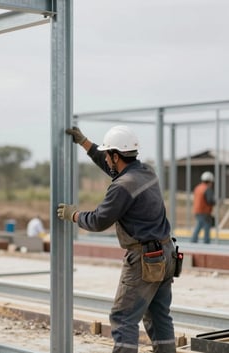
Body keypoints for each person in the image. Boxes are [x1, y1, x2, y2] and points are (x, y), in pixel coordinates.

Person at [57, 125, 177, 353]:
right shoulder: (146, 172)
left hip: (145, 260)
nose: (106, 160)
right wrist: (85, 143)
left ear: (115, 155)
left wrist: (74, 215)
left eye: (108, 155)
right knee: (159, 315)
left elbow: (98, 221)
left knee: (123, 318)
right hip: (167, 253)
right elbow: (113, 168)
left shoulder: (121, 188)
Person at [190, 171, 215, 244]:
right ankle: (206, 242)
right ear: (210, 181)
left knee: (199, 225)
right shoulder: (207, 189)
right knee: (206, 227)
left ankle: (193, 240)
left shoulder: (198, 188)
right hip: (205, 211)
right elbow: (210, 200)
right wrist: (215, 202)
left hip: (197, 210)